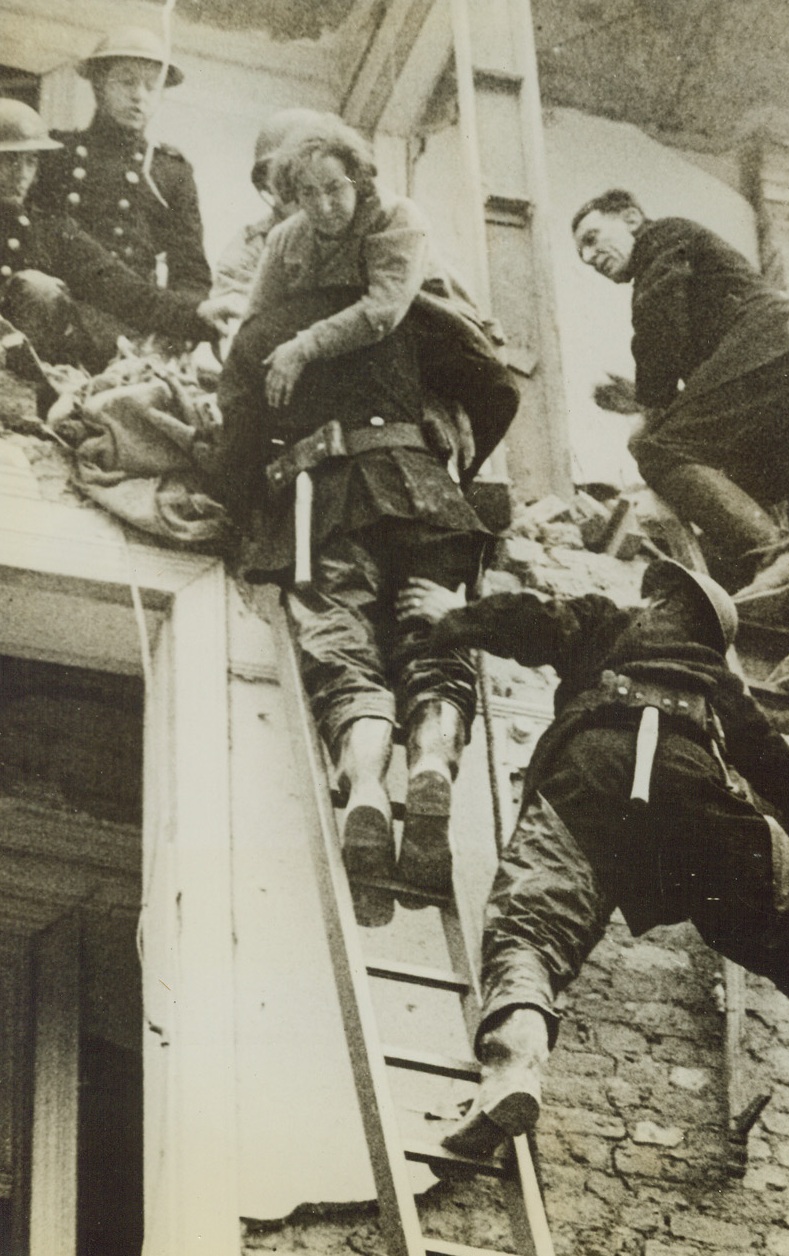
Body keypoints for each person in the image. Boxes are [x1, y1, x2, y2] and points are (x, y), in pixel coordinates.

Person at [397, 559, 789, 1182]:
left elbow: (530, 620)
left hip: (593, 776)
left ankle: (512, 1074)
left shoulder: (608, 621)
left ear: (663, 595)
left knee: (529, 934)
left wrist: (449, 620)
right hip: (697, 790)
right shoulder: (722, 684)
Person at [214, 119, 519, 926]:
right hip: (425, 488)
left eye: (332, 191)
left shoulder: (266, 333)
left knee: (341, 641)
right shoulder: (424, 311)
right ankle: (435, 764)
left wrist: (242, 507)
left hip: (324, 502)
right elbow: (496, 385)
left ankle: (365, 785)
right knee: (440, 632)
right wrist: (462, 466)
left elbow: (238, 433)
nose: (320, 207)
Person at [571, 188, 789, 698]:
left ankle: (779, 559)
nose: (589, 256)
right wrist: (643, 396)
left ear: (630, 217)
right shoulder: (705, 271)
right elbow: (708, 369)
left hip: (778, 352)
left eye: (592, 238)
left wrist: (649, 409)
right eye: (582, 253)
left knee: (659, 450)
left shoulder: (663, 236)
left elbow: (658, 314)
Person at [246, 112, 519, 488]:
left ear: (357, 180)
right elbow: (257, 320)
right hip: (351, 353)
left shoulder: (396, 217)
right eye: (308, 193)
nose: (323, 206)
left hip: (435, 342)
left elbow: (382, 311)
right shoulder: (285, 239)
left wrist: (301, 348)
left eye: (334, 188)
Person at [0, 100, 233, 372]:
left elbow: (123, 289)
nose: (21, 175)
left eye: (31, 161)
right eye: (8, 160)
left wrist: (196, 314)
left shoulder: (51, 228)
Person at [32, 26, 210, 297]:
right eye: (127, 82)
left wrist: (167, 334)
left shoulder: (170, 171)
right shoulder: (57, 152)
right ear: (99, 85)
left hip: (131, 316)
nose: (139, 95)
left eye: (152, 86)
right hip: (57, 306)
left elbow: (191, 275)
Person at [209, 107, 325, 320]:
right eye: (282, 176)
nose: (298, 187)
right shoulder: (251, 245)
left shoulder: (364, 229)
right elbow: (233, 324)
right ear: (266, 184)